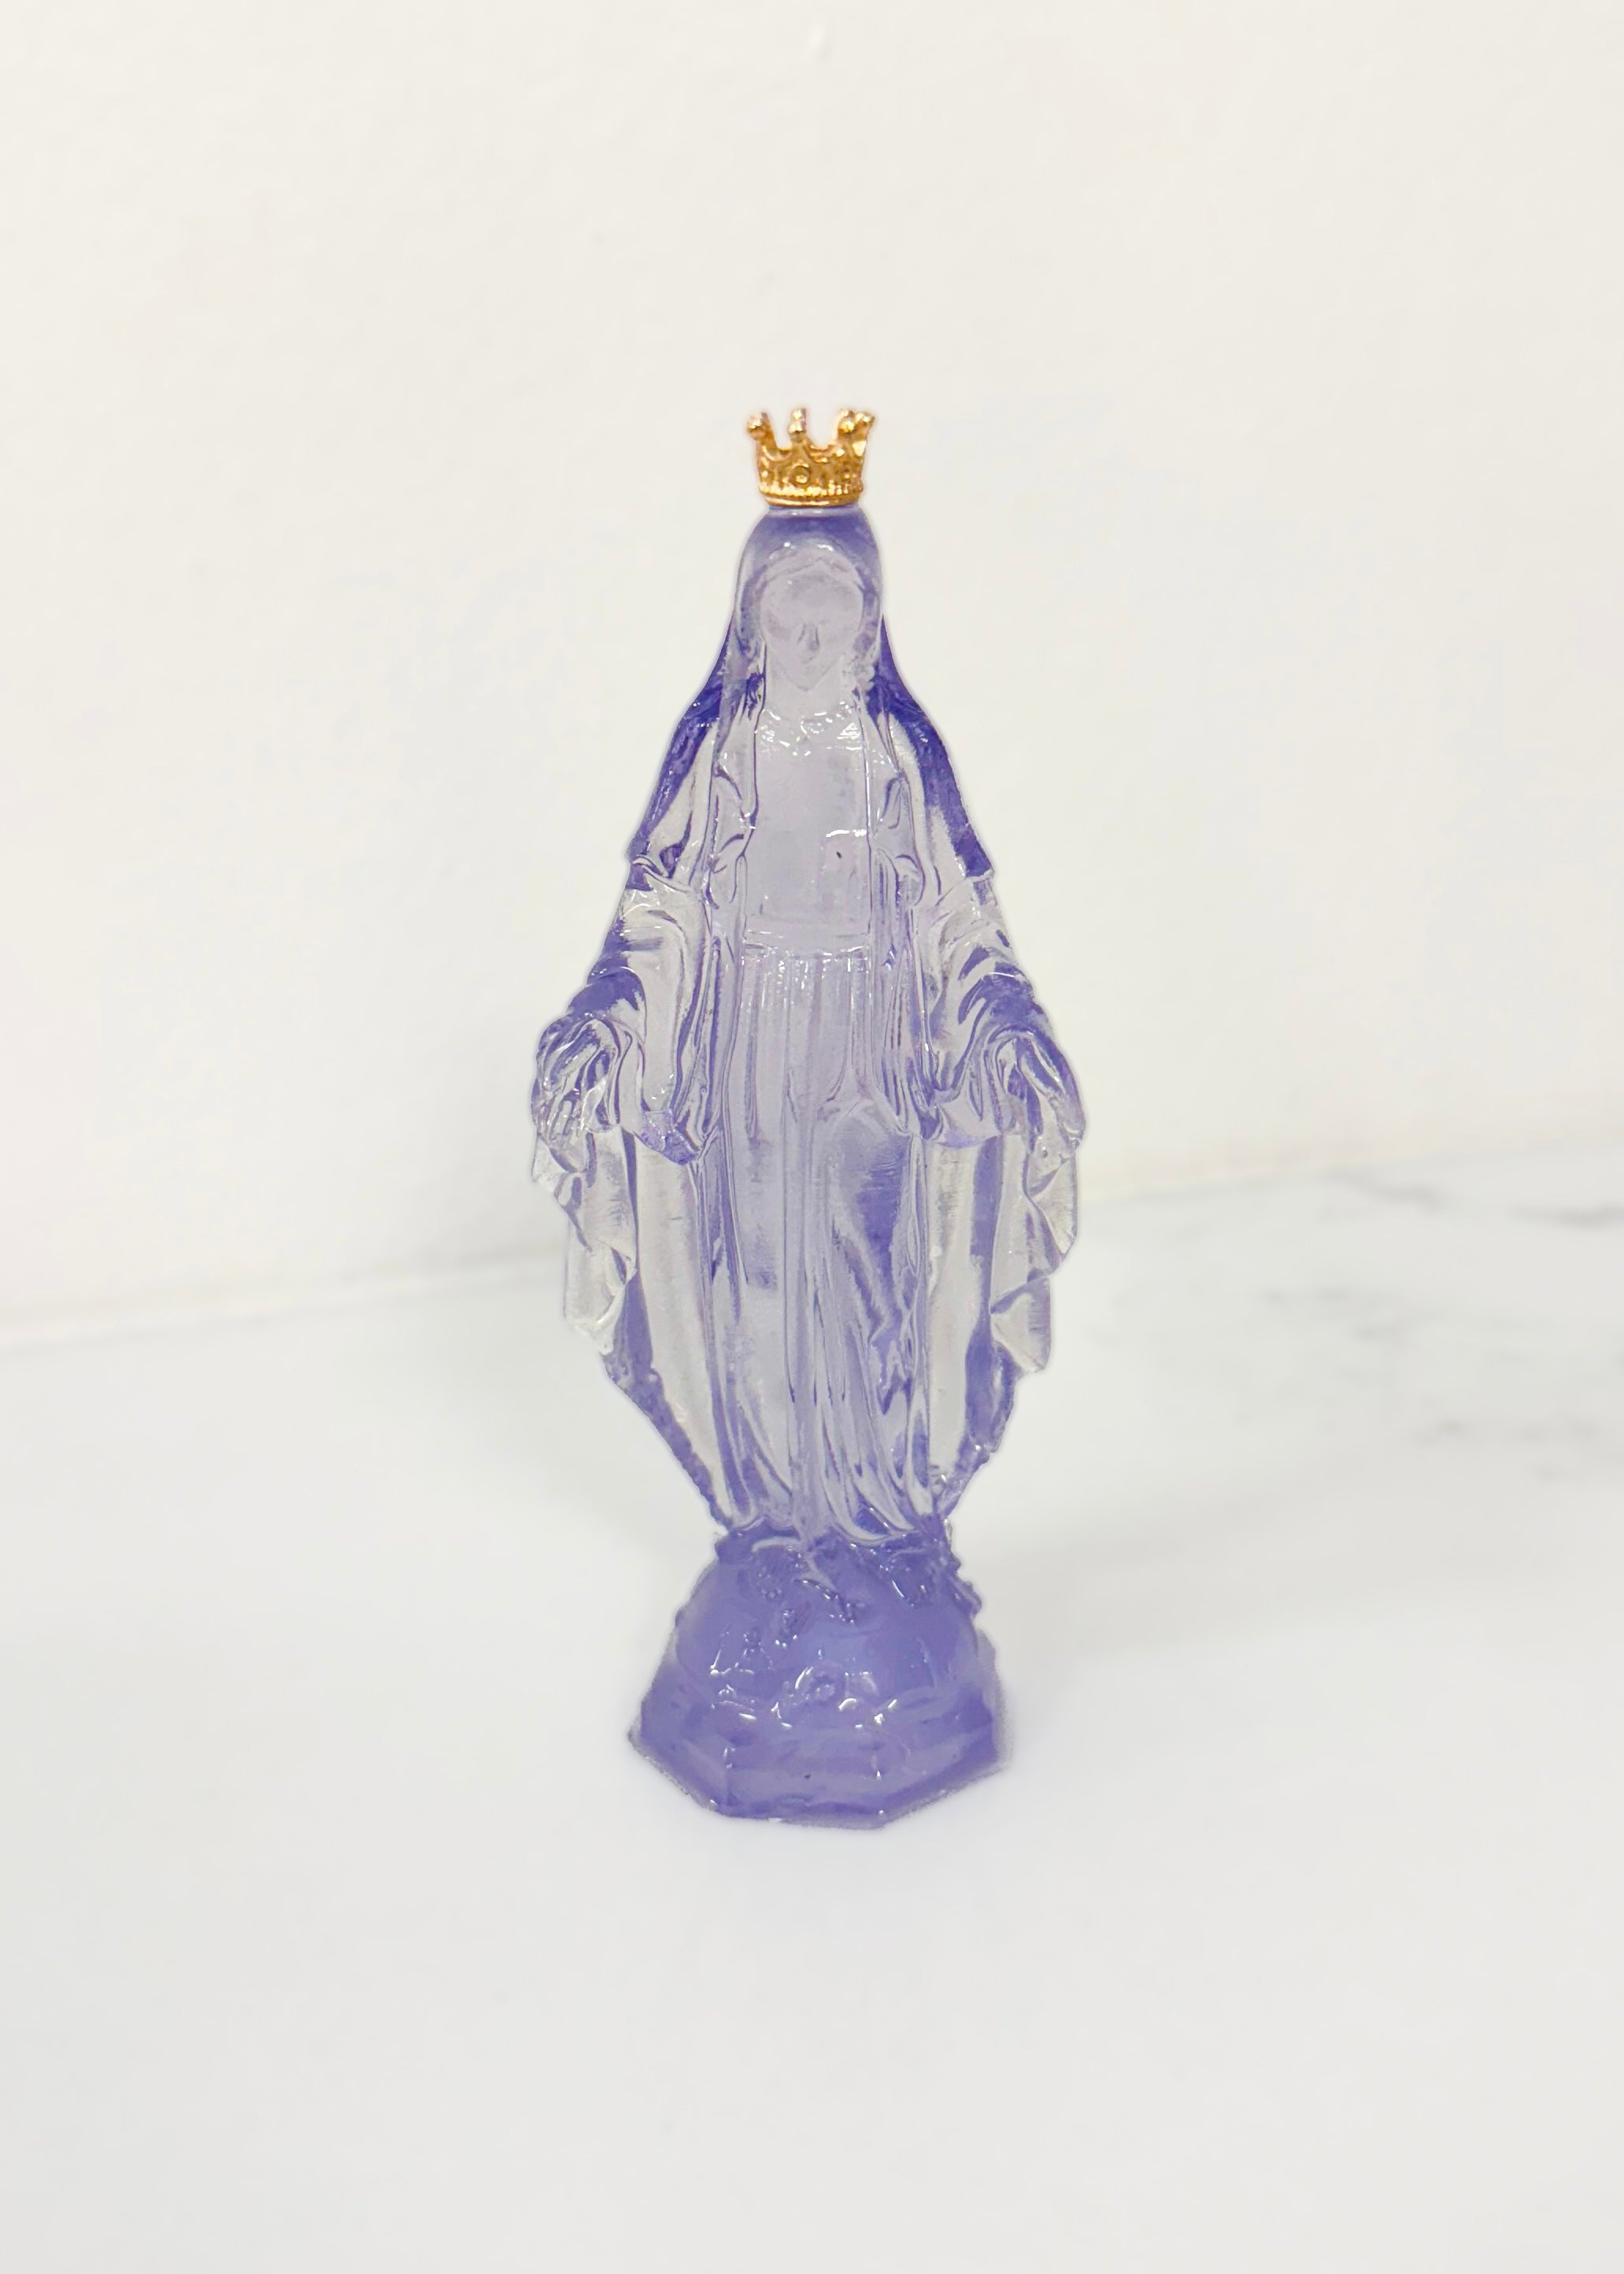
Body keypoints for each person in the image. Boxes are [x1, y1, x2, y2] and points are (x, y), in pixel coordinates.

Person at [532, 501, 1083, 1556]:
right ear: (752, 622)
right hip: (751, 1059)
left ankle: (876, 1510)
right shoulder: (722, 749)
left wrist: (1006, 1024)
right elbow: (661, 913)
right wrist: (608, 1018)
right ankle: (778, 1518)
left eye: (836, 616)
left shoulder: (896, 752)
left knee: (876, 1279)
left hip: (871, 1053)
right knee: (756, 1286)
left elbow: (959, 922)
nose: (812, 642)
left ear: (872, 625)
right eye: (790, 617)